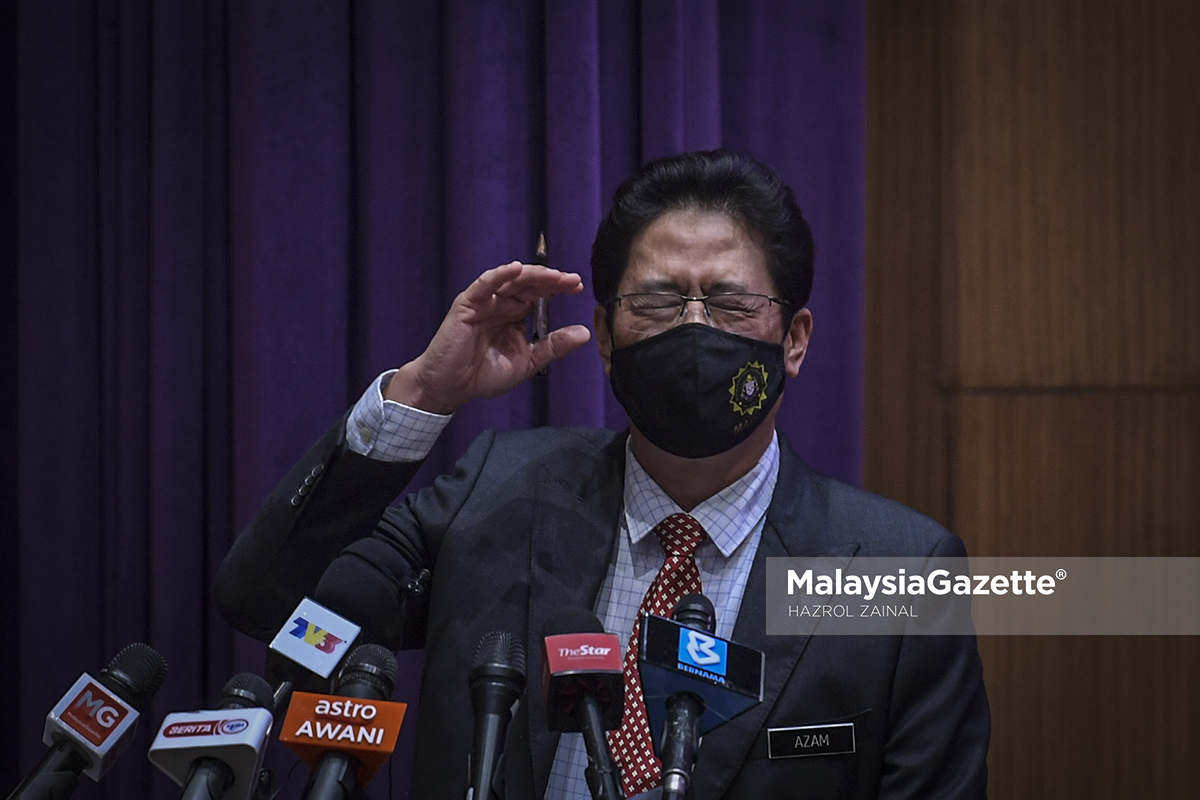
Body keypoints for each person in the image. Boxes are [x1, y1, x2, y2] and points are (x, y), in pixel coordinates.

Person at [216, 150, 990, 799]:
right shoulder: (497, 491)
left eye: (727, 303)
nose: (693, 328)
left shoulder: (902, 575)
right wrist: (424, 394)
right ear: (610, 343)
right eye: (656, 301)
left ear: (793, 340)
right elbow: (269, 602)